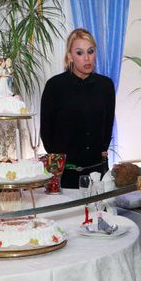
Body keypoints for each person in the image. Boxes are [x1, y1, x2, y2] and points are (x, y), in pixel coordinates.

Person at [40, 28, 115, 188]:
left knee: (99, 213)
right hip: (63, 174)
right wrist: (58, 164)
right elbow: (46, 131)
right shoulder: (54, 86)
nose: (87, 58)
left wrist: (102, 150)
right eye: (79, 53)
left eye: (91, 51)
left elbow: (107, 124)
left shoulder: (106, 85)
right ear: (70, 57)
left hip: (97, 172)